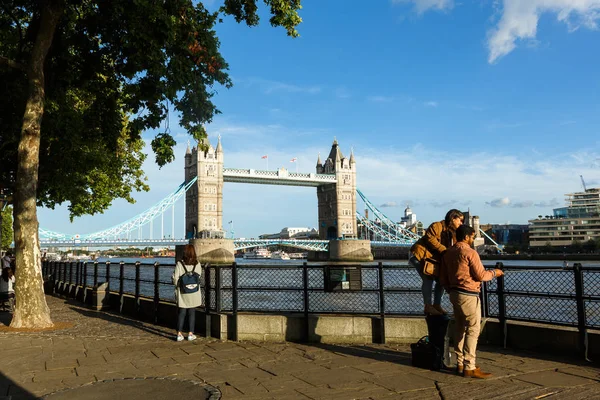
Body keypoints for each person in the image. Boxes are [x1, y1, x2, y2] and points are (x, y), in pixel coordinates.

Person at [440, 225, 504, 379]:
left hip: (454, 294)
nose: (473, 240)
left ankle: (460, 363)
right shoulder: (470, 252)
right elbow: (481, 275)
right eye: (473, 237)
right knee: (473, 330)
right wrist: (495, 273)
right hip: (469, 295)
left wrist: (450, 290)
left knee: (460, 328)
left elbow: (442, 278)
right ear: (468, 237)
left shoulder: (448, 253)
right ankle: (470, 367)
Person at [409, 209, 464, 316]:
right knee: (428, 278)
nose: (461, 223)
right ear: (453, 218)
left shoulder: (453, 233)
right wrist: (445, 250)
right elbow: (430, 239)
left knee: (441, 280)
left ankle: (437, 305)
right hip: (419, 255)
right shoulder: (437, 226)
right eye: (460, 220)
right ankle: (428, 306)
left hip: (432, 259)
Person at [172, 244, 203, 342]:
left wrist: (178, 284)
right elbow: (199, 277)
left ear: (184, 252)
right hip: (193, 292)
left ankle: (179, 334)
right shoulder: (197, 264)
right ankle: (191, 334)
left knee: (182, 312)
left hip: (183, 291)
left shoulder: (180, 264)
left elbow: (175, 278)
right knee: (192, 312)